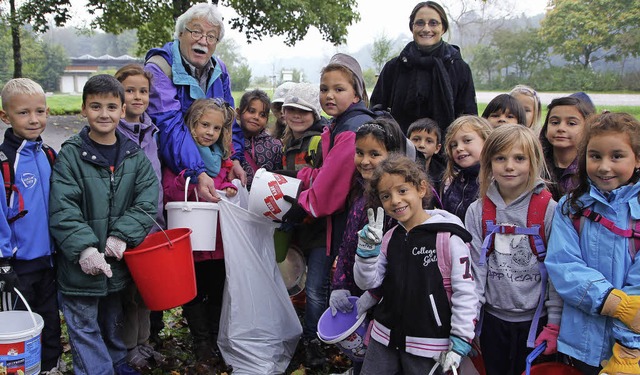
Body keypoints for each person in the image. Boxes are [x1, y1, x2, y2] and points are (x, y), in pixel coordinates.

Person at [48, 74, 159, 375]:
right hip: (78, 269)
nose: (104, 114)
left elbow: (148, 199)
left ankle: (117, 364)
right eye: (95, 106)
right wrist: (84, 249)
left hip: (115, 265)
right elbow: (62, 207)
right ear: (83, 109)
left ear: (123, 110)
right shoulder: (71, 155)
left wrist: (123, 235)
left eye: (111, 107)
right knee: (84, 328)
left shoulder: (133, 156)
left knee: (113, 322)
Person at [281, 53, 375, 367]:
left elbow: (327, 196)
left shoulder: (351, 130)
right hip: (350, 220)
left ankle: (350, 356)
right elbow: (326, 171)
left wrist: (295, 198)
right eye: (324, 89)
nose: (329, 95)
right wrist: (305, 177)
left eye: (338, 89)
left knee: (349, 290)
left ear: (358, 93)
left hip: (356, 223)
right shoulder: (339, 125)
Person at [353, 154, 478, 374]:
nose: (395, 200)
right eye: (385, 196)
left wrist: (461, 340)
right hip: (384, 336)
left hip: (429, 345)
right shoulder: (390, 238)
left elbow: (466, 293)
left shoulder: (448, 238)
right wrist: (366, 253)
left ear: (421, 189)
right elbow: (367, 282)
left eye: (402, 191)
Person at [545, 112, 640, 375]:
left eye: (617, 156)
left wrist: (628, 349)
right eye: (595, 156)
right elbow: (563, 265)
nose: (604, 166)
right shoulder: (571, 206)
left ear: (638, 158)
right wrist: (612, 302)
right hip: (582, 343)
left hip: (633, 350)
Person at [465, 125, 562, 375]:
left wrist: (554, 323)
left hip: (535, 322)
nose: (509, 166)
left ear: (534, 162)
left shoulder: (549, 210)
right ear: (488, 163)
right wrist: (468, 321)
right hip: (491, 321)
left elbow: (557, 271)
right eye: (500, 158)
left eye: (519, 158)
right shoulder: (477, 211)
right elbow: (474, 271)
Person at [329, 118, 410, 374]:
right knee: (360, 354)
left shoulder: (400, 204)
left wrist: (376, 293)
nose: (364, 161)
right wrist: (340, 286)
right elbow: (347, 245)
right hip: (357, 296)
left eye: (375, 154)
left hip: (391, 305)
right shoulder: (360, 192)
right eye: (360, 153)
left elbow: (403, 262)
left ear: (393, 155)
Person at [144, 2, 245, 203]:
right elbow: (169, 126)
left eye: (211, 36)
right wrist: (197, 171)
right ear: (180, 34)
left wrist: (234, 158)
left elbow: (228, 122)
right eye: (196, 32)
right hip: (169, 169)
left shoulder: (220, 71)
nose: (203, 41)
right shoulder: (160, 67)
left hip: (206, 168)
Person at [163, 98, 237, 365]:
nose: (209, 132)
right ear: (191, 125)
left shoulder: (220, 159)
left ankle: (216, 337)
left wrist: (230, 189)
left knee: (217, 288)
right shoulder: (182, 158)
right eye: (204, 125)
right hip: (191, 243)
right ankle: (201, 341)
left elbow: (229, 186)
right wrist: (190, 181)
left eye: (216, 128)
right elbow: (170, 190)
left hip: (217, 243)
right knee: (194, 290)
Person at [0, 78, 63, 374]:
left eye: (40, 111)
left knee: (50, 320)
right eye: (23, 113)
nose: (34, 119)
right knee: (18, 328)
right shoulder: (4, 163)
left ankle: (50, 366)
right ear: (5, 117)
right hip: (17, 266)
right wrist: (3, 262)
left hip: (49, 260)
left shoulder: (48, 154)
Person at [113, 64, 165, 369]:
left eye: (143, 91)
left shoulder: (151, 130)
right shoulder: (113, 131)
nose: (137, 96)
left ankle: (145, 344)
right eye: (129, 90)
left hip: (154, 223)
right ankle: (129, 347)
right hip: (128, 225)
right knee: (129, 293)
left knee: (148, 290)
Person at [369, 1, 477, 135]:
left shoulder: (458, 68)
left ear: (443, 28)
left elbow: (469, 118)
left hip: (445, 149)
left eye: (433, 23)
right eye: (420, 23)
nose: (426, 29)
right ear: (412, 27)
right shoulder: (394, 67)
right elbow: (376, 110)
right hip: (398, 149)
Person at [539, 95, 595, 201]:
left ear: (587, 129)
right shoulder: (535, 164)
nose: (561, 128)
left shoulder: (590, 168)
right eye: (555, 122)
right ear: (545, 129)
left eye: (571, 123)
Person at [441, 115, 492, 221]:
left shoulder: (494, 181)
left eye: (467, 140)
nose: (459, 148)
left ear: (487, 141)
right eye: (454, 145)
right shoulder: (450, 182)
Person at [237, 89, 283, 190]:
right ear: (238, 113)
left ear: (267, 119)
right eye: (251, 111)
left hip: (263, 201)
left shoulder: (275, 146)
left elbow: (279, 179)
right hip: (234, 199)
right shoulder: (228, 141)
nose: (256, 117)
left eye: (262, 115)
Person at [407, 117, 444, 193]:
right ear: (408, 142)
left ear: (437, 148)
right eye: (416, 139)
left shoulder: (442, 175)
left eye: (429, 141)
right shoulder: (399, 168)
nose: (422, 145)